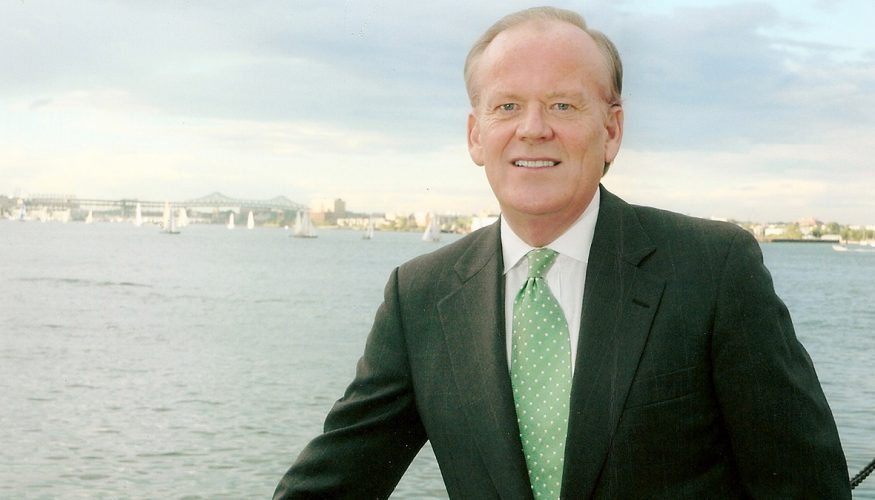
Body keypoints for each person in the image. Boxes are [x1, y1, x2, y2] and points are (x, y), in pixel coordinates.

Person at [274, 6, 850, 499]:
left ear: (612, 129)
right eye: (506, 107)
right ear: (476, 135)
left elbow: (805, 485)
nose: (532, 129)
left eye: (563, 106)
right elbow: (332, 484)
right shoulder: (419, 297)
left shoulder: (713, 270)